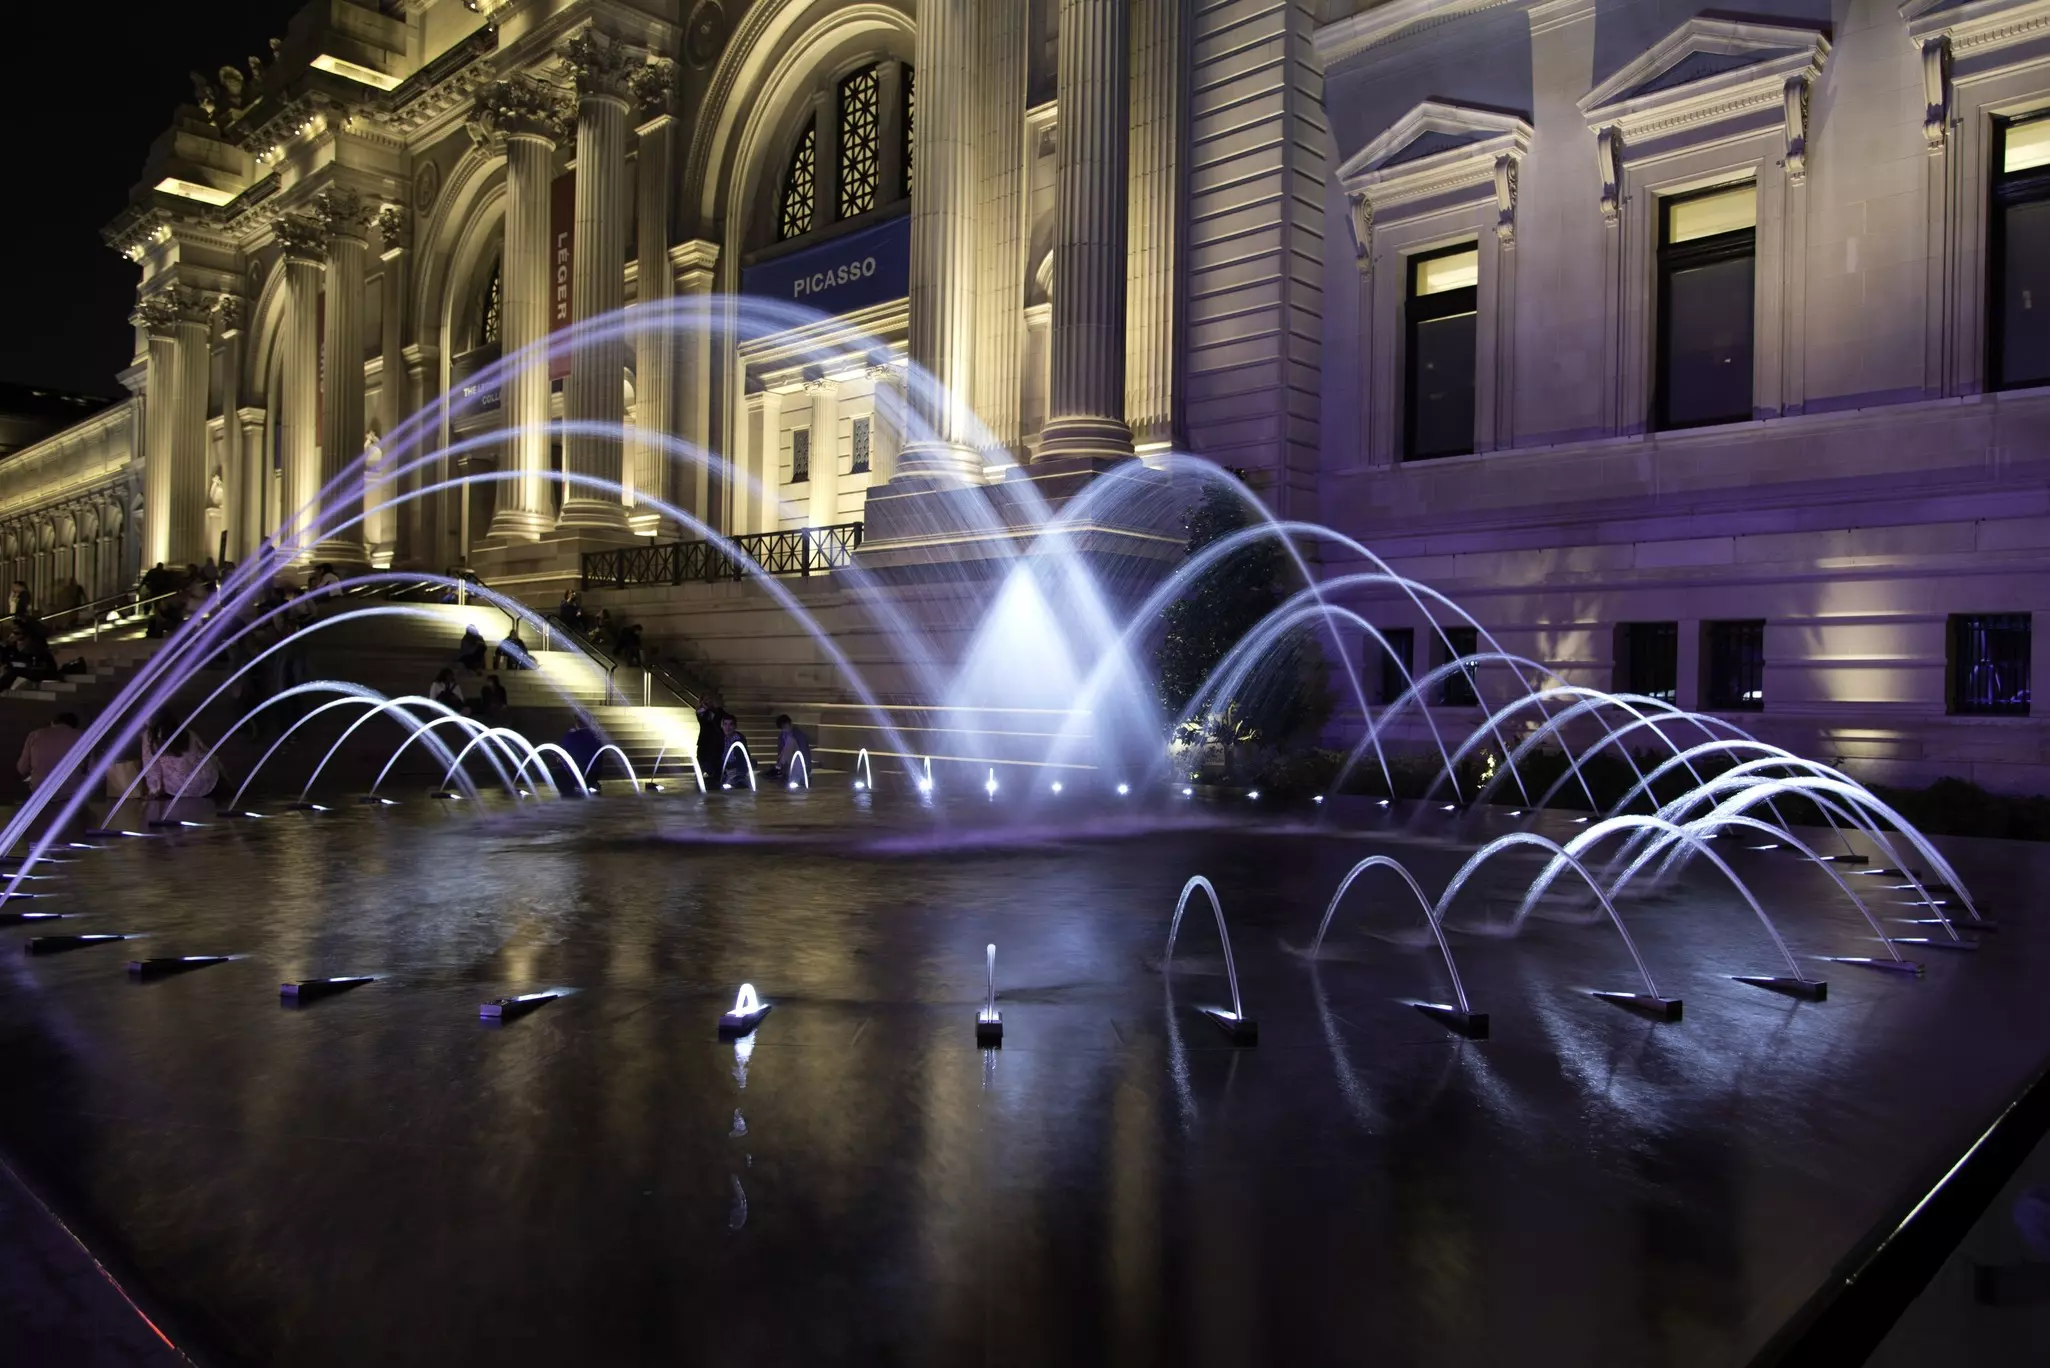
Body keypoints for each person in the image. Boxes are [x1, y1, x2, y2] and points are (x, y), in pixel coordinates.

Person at [141, 720, 220, 800]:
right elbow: (204, 751)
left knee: (159, 759)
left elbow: (150, 765)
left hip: (181, 785)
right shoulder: (184, 729)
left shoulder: (149, 736)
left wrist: (154, 790)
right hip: (205, 778)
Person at [17, 712, 82, 792]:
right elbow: (92, 769)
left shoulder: (35, 735)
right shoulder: (82, 736)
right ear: (74, 726)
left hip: (41, 790)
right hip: (71, 791)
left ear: (53, 722)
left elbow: (22, 768)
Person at [694, 692, 726, 785]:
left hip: (717, 739)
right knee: (703, 761)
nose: (709, 701)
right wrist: (706, 708)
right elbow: (704, 720)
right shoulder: (701, 711)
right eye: (706, 699)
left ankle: (717, 779)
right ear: (702, 701)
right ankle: (701, 781)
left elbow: (726, 717)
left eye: (710, 699)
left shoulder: (718, 710)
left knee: (717, 761)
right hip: (705, 740)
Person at [774, 713, 813, 783]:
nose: (784, 730)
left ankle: (779, 768)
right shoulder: (782, 736)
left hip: (800, 766)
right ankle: (779, 769)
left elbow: (804, 753)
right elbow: (780, 752)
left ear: (789, 724)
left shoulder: (799, 735)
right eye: (782, 728)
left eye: (785, 727)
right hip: (787, 766)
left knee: (790, 741)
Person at [717, 713, 752, 788]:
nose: (727, 727)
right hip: (722, 765)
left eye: (730, 724)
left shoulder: (739, 738)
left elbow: (744, 756)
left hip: (735, 766)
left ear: (735, 726)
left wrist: (739, 769)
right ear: (722, 726)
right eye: (725, 724)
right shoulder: (718, 738)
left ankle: (737, 778)